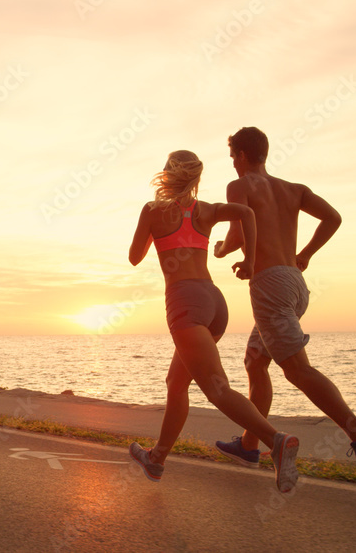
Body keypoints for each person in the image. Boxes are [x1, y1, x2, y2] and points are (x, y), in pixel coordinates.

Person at [213, 127, 356, 487]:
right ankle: (248, 445)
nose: (232, 163)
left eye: (233, 156)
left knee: (296, 369)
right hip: (295, 281)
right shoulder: (294, 189)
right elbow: (333, 218)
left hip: (271, 286)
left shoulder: (239, 185)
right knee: (255, 361)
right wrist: (304, 254)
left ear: (242, 155)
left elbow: (238, 228)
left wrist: (226, 251)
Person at [127, 149, 300, 493]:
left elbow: (134, 258)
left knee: (215, 388)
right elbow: (247, 212)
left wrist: (156, 233)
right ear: (196, 177)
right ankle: (157, 458)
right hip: (214, 303)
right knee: (176, 383)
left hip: (184, 305)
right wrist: (249, 258)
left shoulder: (152, 210)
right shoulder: (205, 210)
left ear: (167, 174)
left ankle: (275, 440)